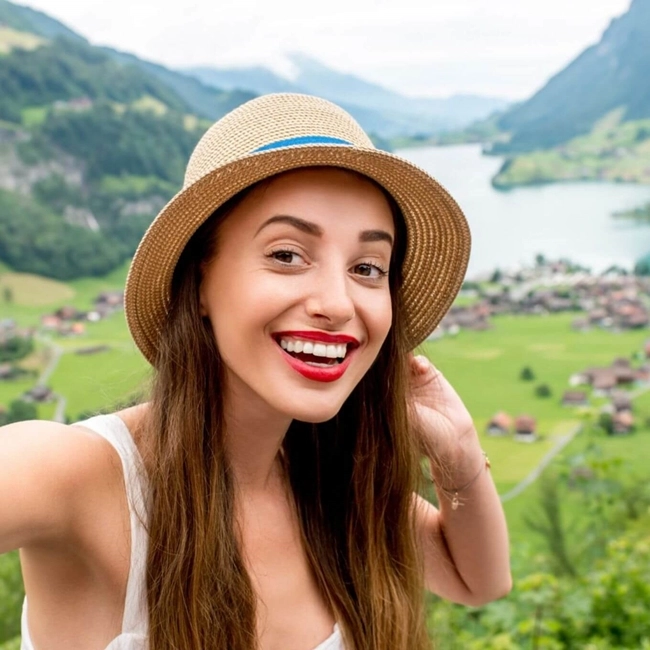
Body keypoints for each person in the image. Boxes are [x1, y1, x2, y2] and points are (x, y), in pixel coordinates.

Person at [0, 93, 510, 650]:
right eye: (287, 255)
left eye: (367, 267)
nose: (338, 303)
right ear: (198, 283)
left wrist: (457, 452)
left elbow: (478, 580)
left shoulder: (328, 482)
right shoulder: (79, 474)